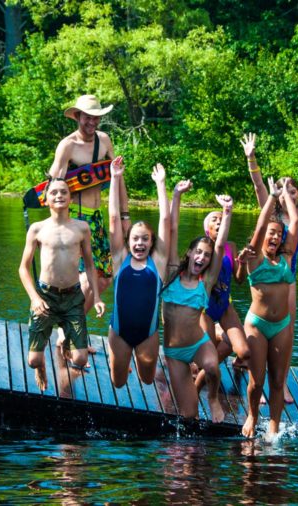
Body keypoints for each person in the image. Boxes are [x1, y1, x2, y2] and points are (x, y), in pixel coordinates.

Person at [241, 132, 298, 403]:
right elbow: (258, 185)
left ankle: (277, 386)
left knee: (287, 329)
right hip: (264, 276)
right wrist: (251, 158)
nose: (290, 195)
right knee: (260, 326)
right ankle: (255, 383)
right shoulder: (270, 213)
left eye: (293, 191)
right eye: (284, 192)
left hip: (288, 277)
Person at [19, 178, 106, 392]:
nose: (59, 196)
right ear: (46, 200)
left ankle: (67, 339)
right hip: (45, 297)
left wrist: (96, 297)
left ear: (70, 198)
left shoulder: (82, 228)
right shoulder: (38, 229)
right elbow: (23, 268)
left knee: (80, 358)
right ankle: (41, 368)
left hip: (73, 297)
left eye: (64, 192)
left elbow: (90, 266)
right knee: (33, 360)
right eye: (54, 193)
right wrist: (35, 298)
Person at [48, 95, 129, 316]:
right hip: (74, 216)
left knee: (104, 277)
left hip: (96, 218)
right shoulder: (67, 145)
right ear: (77, 116)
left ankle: (72, 327)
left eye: (96, 118)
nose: (92, 122)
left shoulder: (104, 141)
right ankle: (70, 333)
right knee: (84, 277)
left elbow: (119, 177)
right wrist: (56, 224)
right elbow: (52, 188)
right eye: (87, 117)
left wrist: (125, 214)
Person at [161, 180, 233, 424]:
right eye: (198, 252)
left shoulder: (206, 283)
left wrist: (227, 211)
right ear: (190, 253)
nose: (202, 257)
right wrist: (177, 194)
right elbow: (171, 228)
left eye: (207, 255)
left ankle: (213, 398)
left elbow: (221, 245)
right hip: (174, 351)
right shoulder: (172, 274)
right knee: (189, 415)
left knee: (212, 366)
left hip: (198, 344)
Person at [239, 177, 298, 438]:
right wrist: (272, 197)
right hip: (257, 325)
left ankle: (274, 424)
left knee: (277, 380)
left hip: (282, 326)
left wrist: (286, 195)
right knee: (257, 380)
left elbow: (295, 223)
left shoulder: (286, 257)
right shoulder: (253, 258)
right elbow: (261, 223)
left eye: (278, 233)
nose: (274, 236)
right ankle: (253, 415)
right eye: (270, 233)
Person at [107, 157, 169, 386]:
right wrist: (115, 178)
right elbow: (113, 219)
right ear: (128, 241)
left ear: (152, 242)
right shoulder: (120, 259)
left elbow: (165, 219)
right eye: (135, 238)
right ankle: (123, 360)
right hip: (119, 333)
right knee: (118, 383)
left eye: (145, 239)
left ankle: (141, 365)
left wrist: (160, 184)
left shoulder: (158, 262)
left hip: (148, 336)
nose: (140, 243)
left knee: (147, 379)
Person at [193, 208, 251, 390]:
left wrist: (242, 262)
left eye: (221, 219)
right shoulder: (202, 248)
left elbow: (240, 280)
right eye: (214, 220)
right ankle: (200, 377)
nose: (218, 222)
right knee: (206, 360)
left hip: (225, 305)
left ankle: (218, 339)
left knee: (244, 351)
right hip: (205, 309)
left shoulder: (231, 247)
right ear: (206, 229)